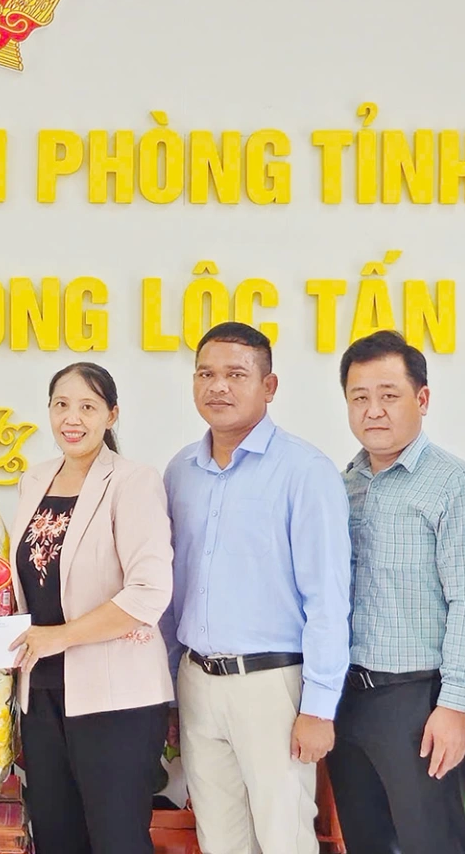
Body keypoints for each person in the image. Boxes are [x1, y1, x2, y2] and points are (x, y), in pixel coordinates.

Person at [163, 321, 351, 854]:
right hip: (197, 678)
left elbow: (329, 598)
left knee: (284, 836)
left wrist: (319, 707)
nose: (218, 386)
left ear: (269, 387)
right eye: (206, 373)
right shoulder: (181, 471)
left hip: (274, 688)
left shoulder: (305, 471)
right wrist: (171, 693)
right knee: (219, 838)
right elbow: (171, 592)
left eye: (235, 374)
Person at [326, 330, 465, 854]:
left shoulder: (455, 484)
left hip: (420, 700)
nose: (373, 410)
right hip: (347, 698)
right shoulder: (342, 482)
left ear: (421, 399)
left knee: (434, 843)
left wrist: (453, 706)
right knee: (365, 841)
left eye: (388, 394)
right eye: (359, 397)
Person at [8, 361, 175, 854]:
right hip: (39, 693)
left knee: (116, 840)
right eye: (61, 405)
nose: (71, 418)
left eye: (87, 406)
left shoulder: (133, 481)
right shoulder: (33, 481)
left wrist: (59, 635)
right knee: (56, 837)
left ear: (112, 415)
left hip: (115, 696)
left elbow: (148, 593)